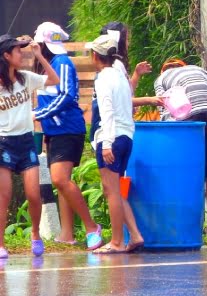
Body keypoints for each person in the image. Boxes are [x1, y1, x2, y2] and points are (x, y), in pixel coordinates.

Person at [32, 22, 104, 249]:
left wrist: (37, 114)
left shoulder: (61, 63)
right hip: (55, 131)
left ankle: (92, 227)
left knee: (60, 179)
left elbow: (66, 96)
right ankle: (66, 233)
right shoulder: (50, 64)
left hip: (67, 129)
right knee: (63, 182)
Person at [153, 58, 207, 235]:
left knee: (185, 171)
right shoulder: (200, 70)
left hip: (187, 116)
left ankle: (185, 224)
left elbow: (163, 105)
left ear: (163, 71)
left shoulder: (161, 79)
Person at [0, 35, 59, 259]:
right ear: (6, 56)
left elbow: (53, 80)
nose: (21, 54)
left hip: (25, 141)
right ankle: (1, 244)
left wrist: (39, 56)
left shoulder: (26, 78)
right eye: (17, 51)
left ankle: (35, 234)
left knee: (34, 195)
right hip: (3, 142)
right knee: (3, 196)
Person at [87, 34, 145, 254]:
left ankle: (117, 241)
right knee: (117, 190)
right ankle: (135, 235)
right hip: (126, 136)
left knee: (111, 191)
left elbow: (106, 112)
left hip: (110, 137)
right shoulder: (120, 75)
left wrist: (107, 143)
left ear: (96, 56)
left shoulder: (103, 79)